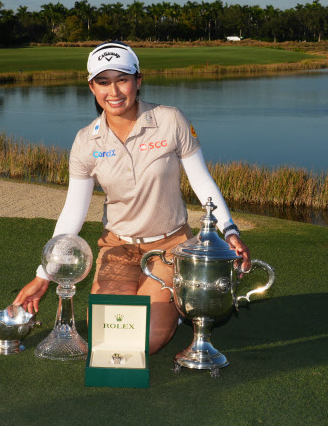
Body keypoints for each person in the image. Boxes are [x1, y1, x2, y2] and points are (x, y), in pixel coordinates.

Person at [13, 41, 251, 355]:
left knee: (144, 342)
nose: (113, 91)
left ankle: (177, 307)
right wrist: (44, 275)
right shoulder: (86, 141)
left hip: (170, 248)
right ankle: (168, 302)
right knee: (109, 338)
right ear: (92, 87)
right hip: (117, 249)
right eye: (103, 81)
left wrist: (229, 231)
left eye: (122, 79)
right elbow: (73, 212)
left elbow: (201, 179)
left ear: (138, 81)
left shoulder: (170, 120)